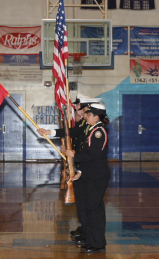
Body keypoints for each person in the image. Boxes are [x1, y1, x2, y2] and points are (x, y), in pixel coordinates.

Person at [37, 96, 103, 246]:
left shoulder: (95, 129)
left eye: (81, 109)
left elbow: (91, 152)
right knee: (83, 206)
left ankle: (91, 237)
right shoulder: (87, 126)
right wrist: (49, 132)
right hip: (82, 168)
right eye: (81, 109)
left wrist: (74, 155)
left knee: (90, 208)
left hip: (88, 170)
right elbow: (72, 133)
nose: (80, 112)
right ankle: (86, 233)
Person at [65, 103, 111, 253]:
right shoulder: (91, 130)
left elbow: (94, 155)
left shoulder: (99, 132)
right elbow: (89, 159)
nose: (86, 116)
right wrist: (81, 172)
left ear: (96, 117)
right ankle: (91, 240)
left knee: (95, 210)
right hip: (90, 173)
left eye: (89, 114)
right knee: (89, 208)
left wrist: (74, 155)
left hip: (97, 176)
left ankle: (98, 243)